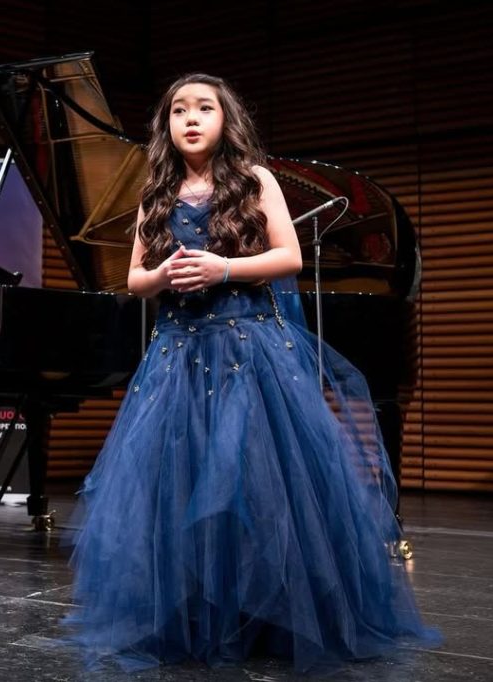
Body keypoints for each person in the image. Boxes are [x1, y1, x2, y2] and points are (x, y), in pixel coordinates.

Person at [62, 74, 441, 673]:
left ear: (224, 119)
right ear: (165, 126)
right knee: (182, 486)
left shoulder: (253, 180)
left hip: (248, 352)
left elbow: (289, 256)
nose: (191, 118)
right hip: (178, 358)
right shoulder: (154, 193)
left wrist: (223, 267)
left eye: (204, 108)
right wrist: (164, 277)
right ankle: (190, 614)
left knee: (259, 486)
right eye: (178, 110)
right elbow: (134, 277)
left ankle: (271, 615)